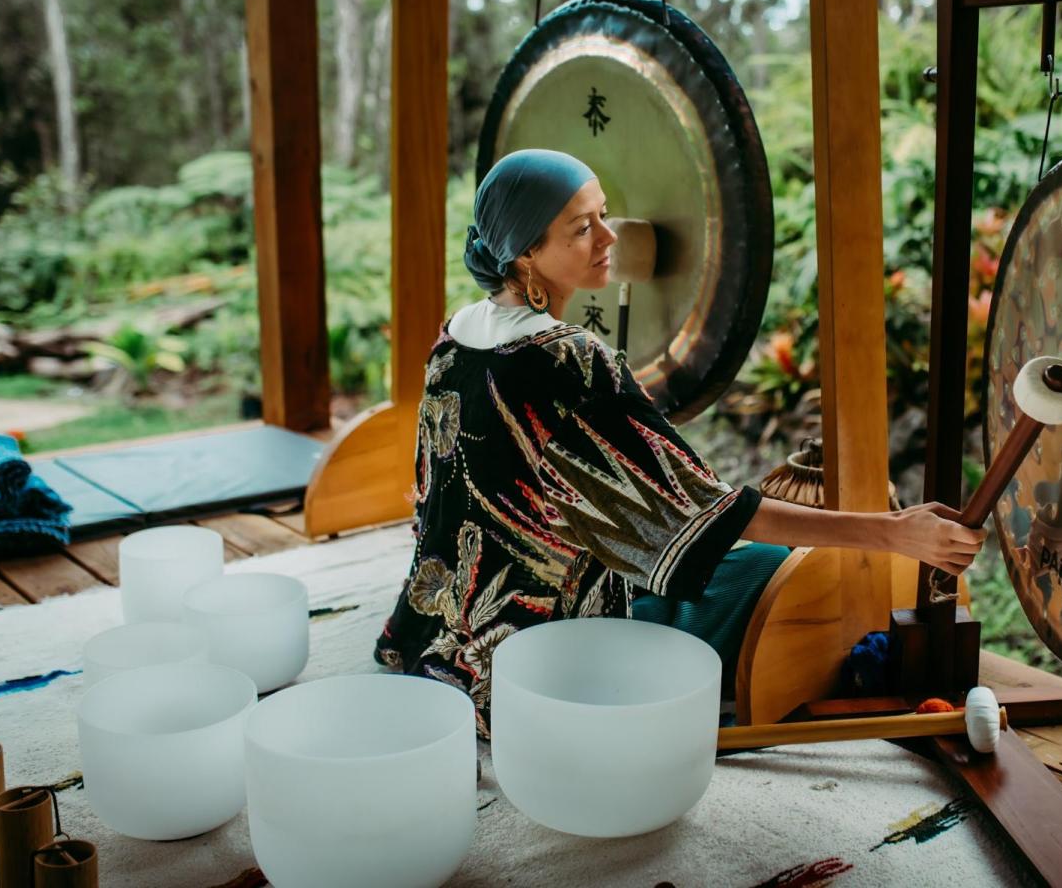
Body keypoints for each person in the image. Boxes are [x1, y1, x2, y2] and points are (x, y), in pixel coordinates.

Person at [374, 149, 986, 736]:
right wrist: (895, 531)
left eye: (603, 214)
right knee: (763, 571)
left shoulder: (457, 335)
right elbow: (706, 512)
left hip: (441, 624)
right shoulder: (567, 360)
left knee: (729, 563)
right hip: (541, 648)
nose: (610, 238)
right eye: (583, 228)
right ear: (527, 253)